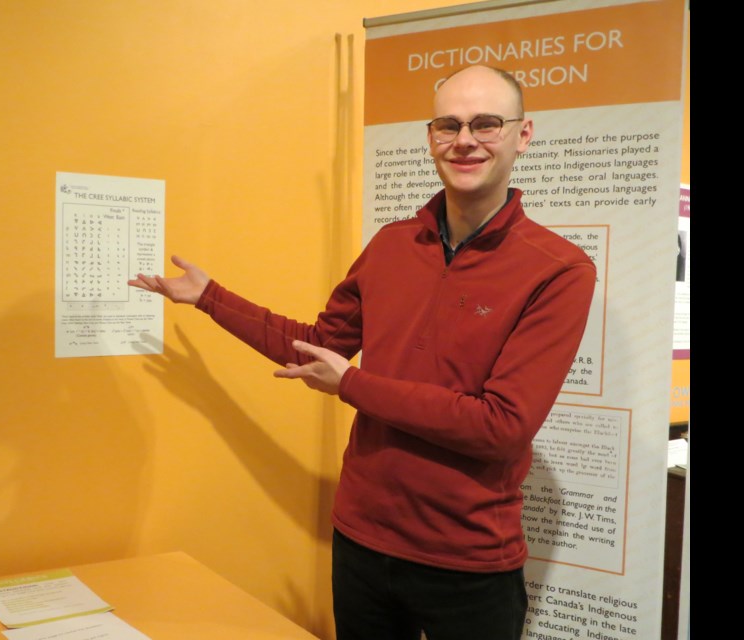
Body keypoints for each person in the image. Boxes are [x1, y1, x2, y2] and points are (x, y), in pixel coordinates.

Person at [129, 65, 596, 640]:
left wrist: (352, 385)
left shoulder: (559, 269)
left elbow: (501, 426)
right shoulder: (392, 244)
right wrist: (209, 298)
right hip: (361, 543)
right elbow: (320, 346)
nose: (465, 139)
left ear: (522, 135)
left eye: (486, 124)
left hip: (468, 564)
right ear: (431, 138)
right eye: (448, 125)